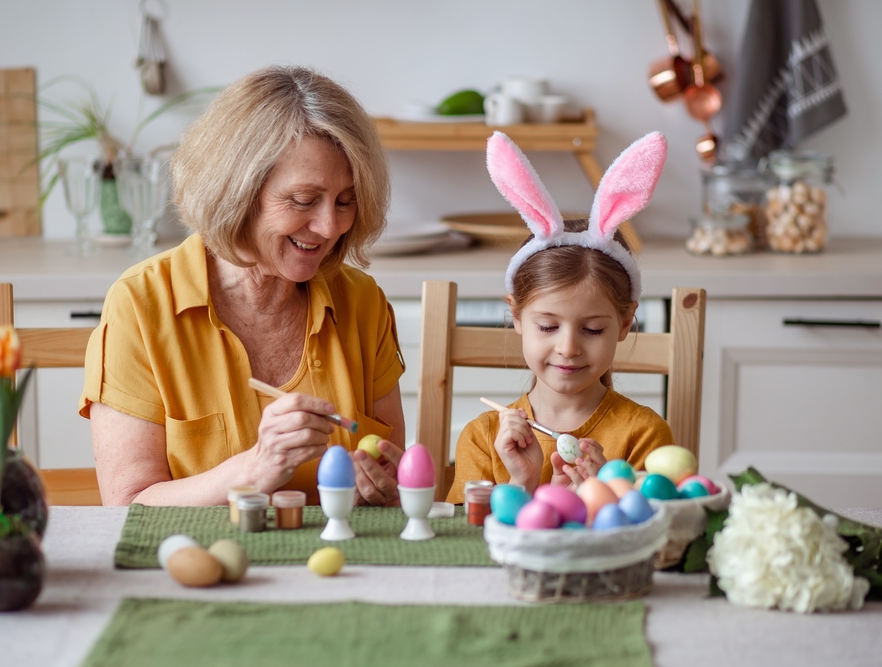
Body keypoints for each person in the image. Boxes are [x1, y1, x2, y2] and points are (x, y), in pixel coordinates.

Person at [80, 66, 406, 507]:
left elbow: (398, 485)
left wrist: (390, 491)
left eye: (345, 201)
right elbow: (128, 506)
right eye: (304, 200)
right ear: (236, 190)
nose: (330, 226)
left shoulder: (363, 303)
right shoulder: (141, 305)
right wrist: (254, 469)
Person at [447, 131, 674, 503]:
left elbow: (656, 536)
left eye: (593, 329)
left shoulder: (644, 434)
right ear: (517, 316)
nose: (568, 348)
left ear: (626, 322)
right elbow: (465, 544)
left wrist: (608, 494)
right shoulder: (484, 436)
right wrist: (522, 484)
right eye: (548, 326)